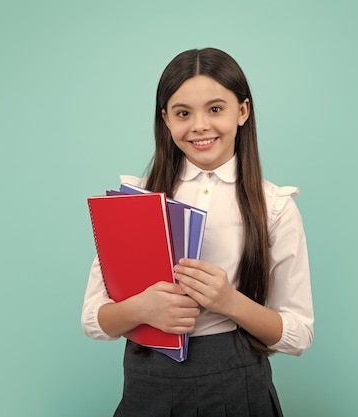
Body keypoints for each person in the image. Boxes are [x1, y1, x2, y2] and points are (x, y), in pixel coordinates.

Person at [81, 47, 314, 417]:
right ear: (166, 120)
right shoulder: (134, 200)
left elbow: (299, 334)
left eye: (216, 109)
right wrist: (143, 307)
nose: (200, 125)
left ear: (243, 111)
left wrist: (228, 301)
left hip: (239, 386)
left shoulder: (275, 206)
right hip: (148, 384)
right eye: (183, 113)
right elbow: (94, 319)